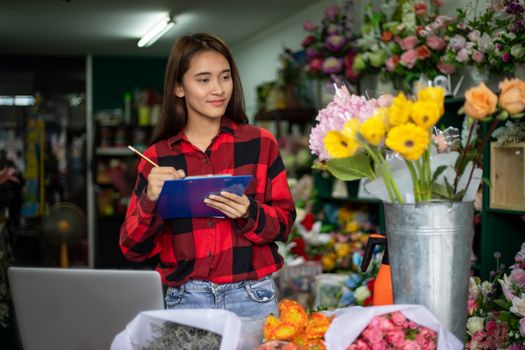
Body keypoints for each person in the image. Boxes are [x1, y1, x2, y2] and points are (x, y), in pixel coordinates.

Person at [120, 33, 296, 319]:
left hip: (253, 298)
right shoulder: (156, 158)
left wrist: (249, 212)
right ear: (179, 87)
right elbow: (132, 249)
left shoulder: (261, 144)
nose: (218, 89)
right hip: (184, 300)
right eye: (203, 80)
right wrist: (151, 199)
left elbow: (285, 225)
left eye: (225, 77)